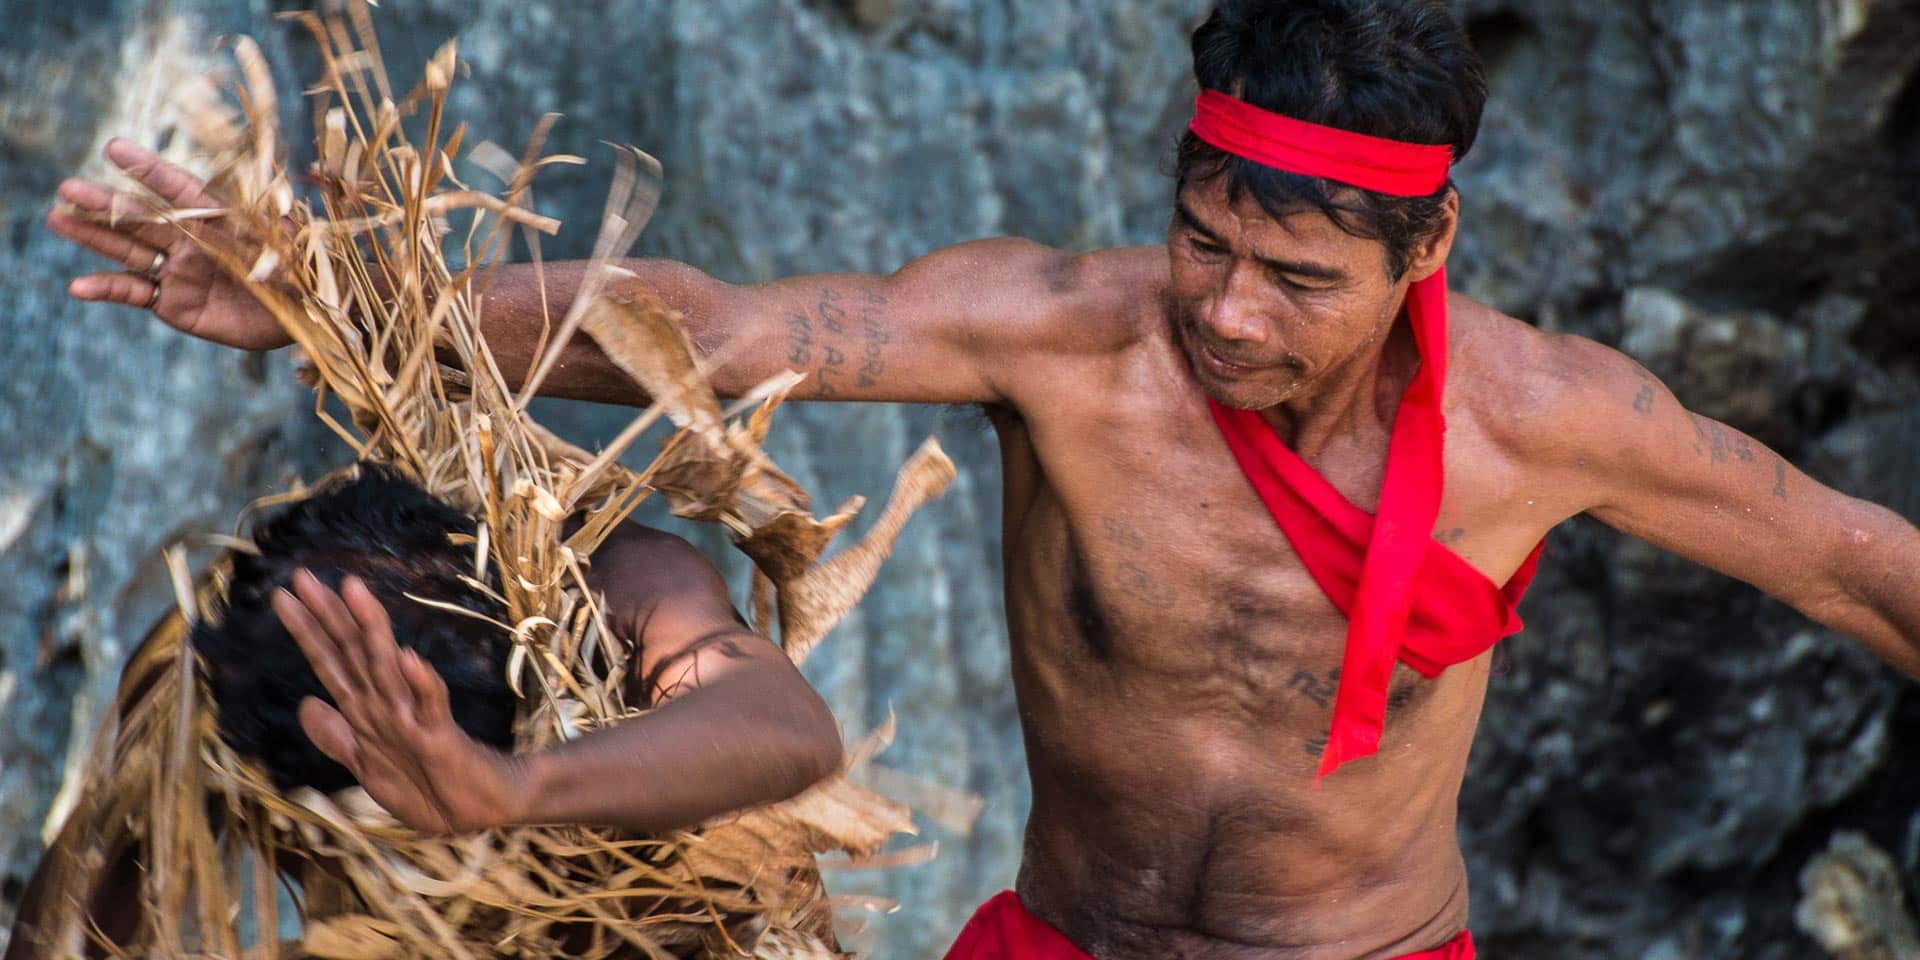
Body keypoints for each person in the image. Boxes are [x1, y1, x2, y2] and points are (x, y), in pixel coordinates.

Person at [46, 1, 1920, 957]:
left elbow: (1850, 560)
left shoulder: (1555, 420)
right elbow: (709, 322)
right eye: (1205, 241)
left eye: (1300, 280)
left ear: (1424, 257)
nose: (1233, 315)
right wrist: (337, 304)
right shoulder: (1061, 336)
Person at [4, 465, 844, 958]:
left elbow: (791, 726)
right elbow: (80, 916)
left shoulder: (608, 596)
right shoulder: (220, 681)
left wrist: (513, 787)